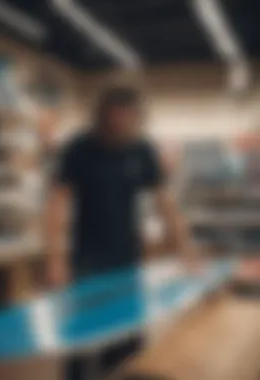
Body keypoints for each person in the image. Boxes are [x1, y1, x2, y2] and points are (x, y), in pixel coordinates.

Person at [45, 86, 197, 378]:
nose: (121, 124)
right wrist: (56, 260)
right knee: (81, 342)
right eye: (114, 117)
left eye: (128, 117)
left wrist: (186, 251)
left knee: (127, 343)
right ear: (102, 115)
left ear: (137, 118)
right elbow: (57, 203)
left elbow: (166, 204)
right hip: (85, 261)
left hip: (126, 259)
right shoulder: (79, 148)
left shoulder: (142, 150)